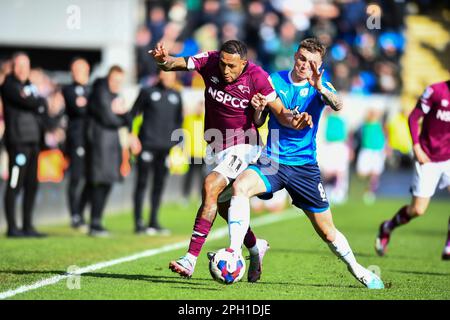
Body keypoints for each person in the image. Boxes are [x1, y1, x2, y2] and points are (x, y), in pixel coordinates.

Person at [226, 38, 384, 289]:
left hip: (304, 167)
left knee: (327, 232)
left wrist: (321, 87)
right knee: (240, 187)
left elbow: (338, 105)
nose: (305, 66)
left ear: (319, 66)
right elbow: (258, 122)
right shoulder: (273, 80)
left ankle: (358, 269)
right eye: (302, 59)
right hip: (273, 161)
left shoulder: (320, 86)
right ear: (294, 57)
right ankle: (234, 254)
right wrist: (258, 108)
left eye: (312, 63)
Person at [148, 40, 312, 280]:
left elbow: (279, 110)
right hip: (215, 147)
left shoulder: (257, 77)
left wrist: (295, 118)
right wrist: (162, 59)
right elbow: (172, 64)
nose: (226, 70)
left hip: (244, 146)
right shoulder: (210, 60)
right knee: (222, 206)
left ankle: (190, 259)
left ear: (243, 63)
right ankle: (256, 247)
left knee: (210, 185)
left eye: (232, 66)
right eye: (223, 64)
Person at [375, 80, 450, 260]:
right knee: (417, 210)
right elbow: (413, 117)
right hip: (428, 156)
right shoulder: (435, 91)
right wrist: (417, 148)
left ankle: (448, 245)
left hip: (448, 156)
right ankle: (388, 227)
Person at [84, 66, 140, 237]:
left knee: (106, 182)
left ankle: (96, 221)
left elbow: (127, 117)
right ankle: (92, 221)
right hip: (100, 142)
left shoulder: (115, 96)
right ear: (108, 78)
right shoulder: (100, 93)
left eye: (120, 81)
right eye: (115, 80)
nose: (117, 84)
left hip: (112, 143)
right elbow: (109, 118)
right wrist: (122, 116)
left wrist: (122, 116)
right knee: (99, 182)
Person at [128, 70, 183, 235]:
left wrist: (177, 144)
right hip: (147, 145)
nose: (167, 77)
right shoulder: (147, 92)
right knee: (142, 183)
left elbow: (178, 121)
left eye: (171, 75)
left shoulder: (176, 96)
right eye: (164, 74)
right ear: (159, 75)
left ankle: (153, 221)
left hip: (165, 149)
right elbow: (132, 114)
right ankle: (138, 222)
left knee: (159, 185)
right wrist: (132, 136)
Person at [1, 52, 48, 238]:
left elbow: (39, 103)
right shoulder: (9, 85)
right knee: (15, 184)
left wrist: (37, 102)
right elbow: (30, 102)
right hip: (18, 143)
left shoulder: (29, 86)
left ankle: (28, 225)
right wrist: (36, 102)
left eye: (25, 66)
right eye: (19, 66)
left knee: (32, 185)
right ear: (13, 67)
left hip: (33, 143)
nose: (22, 70)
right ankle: (12, 227)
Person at [62, 58, 91, 230]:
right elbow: (78, 108)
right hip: (77, 139)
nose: (78, 72)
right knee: (76, 178)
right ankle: (74, 215)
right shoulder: (69, 89)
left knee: (91, 178)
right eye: (75, 69)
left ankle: (80, 212)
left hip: (91, 139)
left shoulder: (92, 89)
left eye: (81, 69)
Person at [356, 108, 387, 204]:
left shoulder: (380, 126)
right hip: (366, 151)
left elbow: (384, 137)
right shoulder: (365, 125)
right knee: (361, 173)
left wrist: (386, 148)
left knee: (375, 174)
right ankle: (368, 185)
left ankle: (370, 192)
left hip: (377, 152)